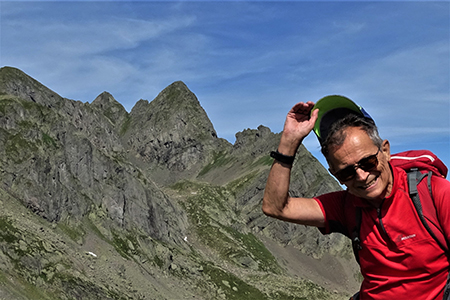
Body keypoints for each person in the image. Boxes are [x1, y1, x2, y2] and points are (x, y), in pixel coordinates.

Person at [262, 95, 450, 300]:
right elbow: (275, 207)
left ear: (385, 151)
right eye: (347, 172)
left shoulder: (433, 194)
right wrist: (289, 142)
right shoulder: (346, 205)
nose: (361, 176)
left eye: (368, 162)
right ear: (335, 174)